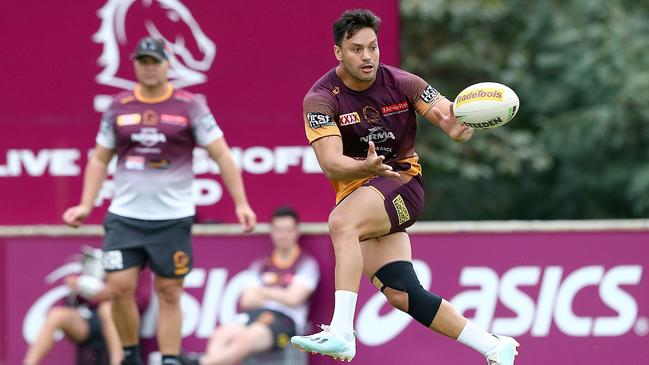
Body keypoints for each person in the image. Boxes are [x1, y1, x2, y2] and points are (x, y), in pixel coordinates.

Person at [290, 9, 519, 365]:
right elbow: (330, 161)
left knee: (341, 223)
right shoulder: (320, 99)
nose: (367, 57)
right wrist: (363, 166)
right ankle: (492, 345)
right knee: (403, 294)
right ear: (339, 52)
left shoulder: (404, 83)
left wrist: (463, 124)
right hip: (360, 192)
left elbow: (449, 119)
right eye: (356, 50)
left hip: (403, 185)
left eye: (373, 47)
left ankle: (341, 332)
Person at [62, 36, 257, 365]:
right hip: (124, 217)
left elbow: (222, 155)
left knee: (169, 293)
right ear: (135, 64)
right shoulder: (118, 106)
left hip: (173, 219)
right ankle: (129, 354)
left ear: (168, 64)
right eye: (143, 61)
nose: (149, 68)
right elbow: (99, 159)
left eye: (155, 62)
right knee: (119, 287)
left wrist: (242, 204)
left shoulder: (190, 105)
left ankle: (168, 359)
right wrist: (85, 204)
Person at [180, 207, 320, 365]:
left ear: (296, 232)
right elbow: (247, 301)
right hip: (256, 315)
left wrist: (262, 292)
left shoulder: (306, 263)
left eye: (288, 230)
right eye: (279, 230)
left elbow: (294, 298)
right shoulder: (260, 264)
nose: (283, 235)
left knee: (247, 338)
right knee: (222, 334)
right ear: (272, 232)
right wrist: (279, 293)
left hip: (286, 320)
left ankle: (201, 362)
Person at [23, 248, 122, 365]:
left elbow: (141, 300)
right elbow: (73, 303)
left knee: (107, 309)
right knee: (56, 315)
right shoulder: (97, 259)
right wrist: (78, 287)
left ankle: (118, 362)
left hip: (119, 318)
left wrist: (110, 294)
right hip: (89, 319)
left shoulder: (135, 259)